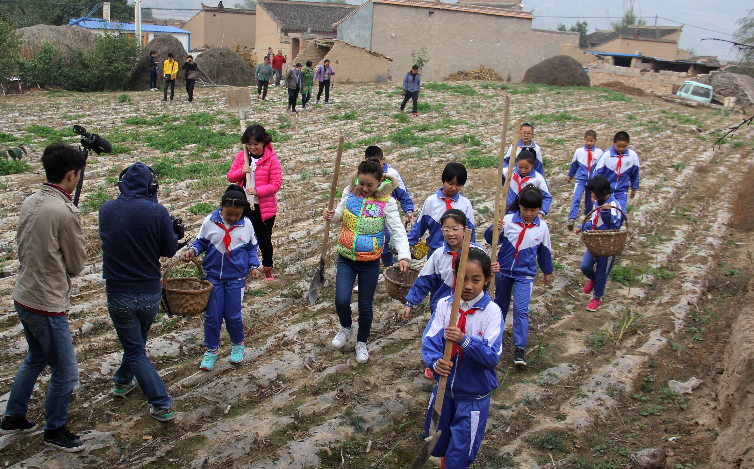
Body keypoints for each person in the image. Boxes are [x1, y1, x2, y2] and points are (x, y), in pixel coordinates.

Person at [0, 142, 87, 451]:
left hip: (23, 294)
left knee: (36, 357)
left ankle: (13, 416)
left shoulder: (30, 201)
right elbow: (76, 264)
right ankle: (55, 430)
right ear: (71, 175)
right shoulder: (64, 211)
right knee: (66, 371)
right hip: (46, 302)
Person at [98, 162, 178, 422]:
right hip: (149, 295)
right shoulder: (157, 212)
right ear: (151, 187)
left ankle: (137, 390)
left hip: (119, 293)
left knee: (134, 347)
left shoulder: (106, 210)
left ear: (121, 185)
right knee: (136, 347)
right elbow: (169, 250)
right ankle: (148, 395)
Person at [421, 247, 502, 469]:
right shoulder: (445, 306)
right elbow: (430, 339)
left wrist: (465, 341)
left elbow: (491, 357)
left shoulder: (492, 313)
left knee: (461, 450)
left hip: (473, 395)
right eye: (463, 278)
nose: (468, 286)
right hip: (445, 390)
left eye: (476, 280)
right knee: (437, 439)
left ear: (486, 280)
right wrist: (435, 361)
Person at [323, 160, 411, 364]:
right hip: (346, 257)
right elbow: (339, 215)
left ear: (380, 181)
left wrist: (403, 256)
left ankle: (361, 342)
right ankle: (346, 327)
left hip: (370, 261)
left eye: (369, 185)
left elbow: (397, 230)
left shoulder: (386, 201)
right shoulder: (350, 192)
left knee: (365, 305)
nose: (364, 188)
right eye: (361, 183)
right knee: (342, 300)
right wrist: (332, 215)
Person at [183, 185, 260, 371]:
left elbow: (251, 248)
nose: (232, 218)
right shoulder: (210, 221)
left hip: (236, 278)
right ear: (221, 207)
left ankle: (237, 345)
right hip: (213, 278)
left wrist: (254, 266)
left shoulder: (246, 224)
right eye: (228, 214)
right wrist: (193, 250)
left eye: (237, 215)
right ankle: (210, 350)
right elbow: (201, 242)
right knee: (212, 316)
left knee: (233, 316)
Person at [484, 185, 553, 367]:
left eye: (533, 210)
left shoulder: (542, 228)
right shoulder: (507, 221)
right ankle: (494, 342)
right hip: (504, 271)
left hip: (525, 275)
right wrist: (494, 228)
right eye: (525, 209)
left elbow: (545, 252)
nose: (528, 213)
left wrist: (547, 271)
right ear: (519, 206)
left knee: (521, 310)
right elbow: (491, 239)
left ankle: (519, 348)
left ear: (539, 210)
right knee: (500, 307)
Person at [227, 124, 282, 281]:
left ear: (263, 142)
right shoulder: (242, 156)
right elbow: (231, 176)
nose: (252, 147)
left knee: (264, 240)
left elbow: (276, 184)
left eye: (255, 144)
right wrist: (241, 172)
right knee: (242, 238)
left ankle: (267, 268)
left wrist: (258, 191)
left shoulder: (271, 159)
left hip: (264, 208)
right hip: (244, 207)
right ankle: (245, 268)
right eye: (249, 144)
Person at [574, 175, 623, 312]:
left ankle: (597, 298)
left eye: (593, 193)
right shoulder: (597, 205)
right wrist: (581, 226)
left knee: (602, 271)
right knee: (585, 266)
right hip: (595, 242)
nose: (592, 196)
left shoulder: (614, 205)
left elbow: (614, 223)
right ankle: (594, 280)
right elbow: (593, 222)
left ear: (602, 192)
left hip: (608, 244)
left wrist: (606, 211)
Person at [408, 162, 475, 259]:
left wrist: (471, 254)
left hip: (458, 256)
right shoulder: (431, 202)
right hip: (435, 254)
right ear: (444, 180)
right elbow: (419, 227)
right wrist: (406, 246)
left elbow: (470, 232)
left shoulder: (465, 204)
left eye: (458, 185)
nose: (454, 188)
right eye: (450, 183)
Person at [364, 145, 413, 267]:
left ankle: (389, 266)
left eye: (376, 162)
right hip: (368, 217)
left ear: (383, 160)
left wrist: (408, 210)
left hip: (386, 216)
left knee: (385, 247)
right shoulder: (363, 174)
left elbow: (403, 193)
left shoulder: (392, 174)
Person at [593, 131, 639, 213]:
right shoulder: (606, 155)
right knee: (602, 213)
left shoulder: (633, 156)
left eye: (624, 146)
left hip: (621, 191)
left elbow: (635, 173)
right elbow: (597, 174)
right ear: (613, 142)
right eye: (618, 146)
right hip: (605, 191)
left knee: (621, 213)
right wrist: (594, 191)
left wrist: (634, 188)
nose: (621, 149)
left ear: (628, 144)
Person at [567, 130, 604, 231]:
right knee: (576, 198)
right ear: (584, 140)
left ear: (595, 141)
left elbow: (601, 166)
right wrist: (570, 176)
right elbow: (574, 165)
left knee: (590, 200)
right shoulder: (579, 152)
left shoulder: (599, 152)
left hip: (593, 181)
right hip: (581, 179)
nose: (589, 143)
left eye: (591, 141)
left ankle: (588, 218)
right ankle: (572, 219)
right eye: (587, 140)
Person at [503, 148, 552, 218]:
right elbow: (500, 177)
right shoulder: (509, 172)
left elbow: (547, 197)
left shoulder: (538, 179)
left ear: (532, 165)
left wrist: (541, 212)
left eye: (526, 168)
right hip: (510, 212)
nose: (523, 170)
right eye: (520, 167)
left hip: (528, 215)